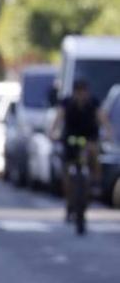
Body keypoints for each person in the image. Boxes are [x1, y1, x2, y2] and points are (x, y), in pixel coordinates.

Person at [50, 79, 101, 211]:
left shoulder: (93, 103)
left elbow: (102, 118)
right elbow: (58, 118)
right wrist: (53, 132)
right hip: (70, 137)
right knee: (67, 167)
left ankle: (95, 183)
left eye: (83, 92)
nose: (81, 95)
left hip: (89, 137)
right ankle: (69, 196)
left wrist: (108, 133)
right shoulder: (67, 103)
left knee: (94, 153)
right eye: (79, 92)